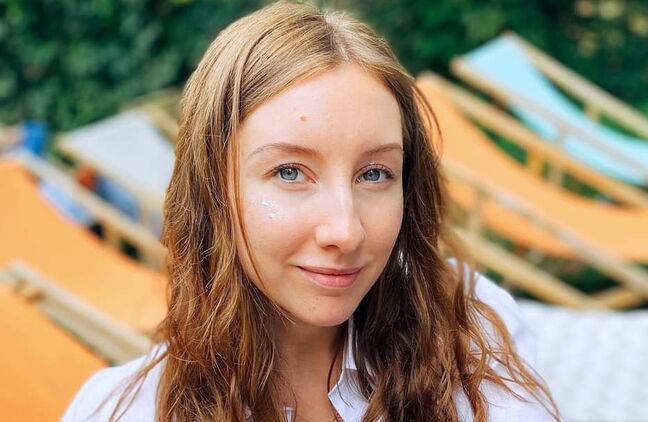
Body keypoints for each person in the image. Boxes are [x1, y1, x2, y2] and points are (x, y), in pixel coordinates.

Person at [62, 2, 559, 421]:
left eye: (374, 174)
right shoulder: (122, 411)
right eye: (290, 172)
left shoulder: (472, 335)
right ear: (212, 189)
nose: (345, 230)